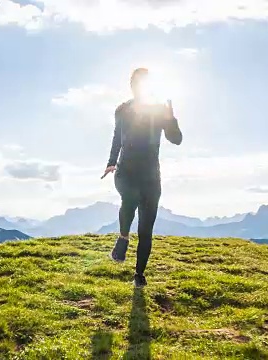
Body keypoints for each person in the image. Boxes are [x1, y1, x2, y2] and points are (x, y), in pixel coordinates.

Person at [101, 67, 183, 288]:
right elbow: (117, 138)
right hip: (125, 171)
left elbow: (176, 139)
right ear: (132, 85)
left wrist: (171, 119)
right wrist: (111, 161)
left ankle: (139, 275)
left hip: (150, 176)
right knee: (129, 199)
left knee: (146, 228)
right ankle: (123, 237)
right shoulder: (122, 110)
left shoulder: (159, 111)